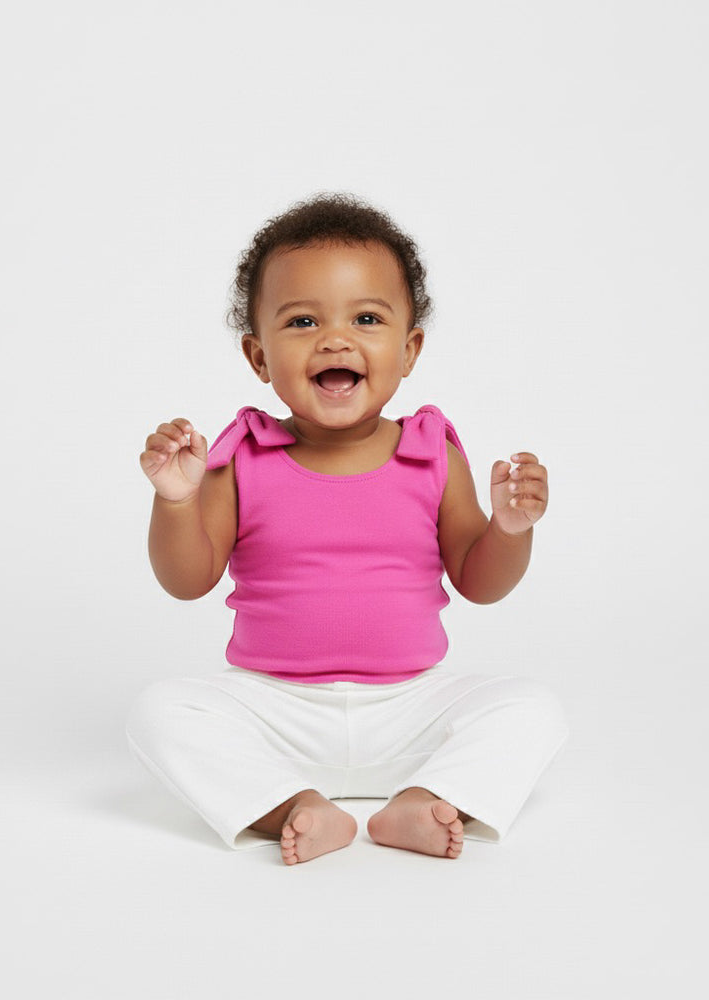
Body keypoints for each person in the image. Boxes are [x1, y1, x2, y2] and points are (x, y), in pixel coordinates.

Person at [127, 193, 568, 865]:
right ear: (258, 356)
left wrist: (510, 530)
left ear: (409, 348)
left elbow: (479, 582)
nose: (336, 339)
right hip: (274, 710)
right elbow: (187, 581)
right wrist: (178, 501)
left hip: (409, 709)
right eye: (302, 321)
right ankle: (290, 804)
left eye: (366, 318)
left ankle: (425, 797)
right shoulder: (240, 456)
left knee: (532, 707)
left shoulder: (431, 452)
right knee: (159, 711)